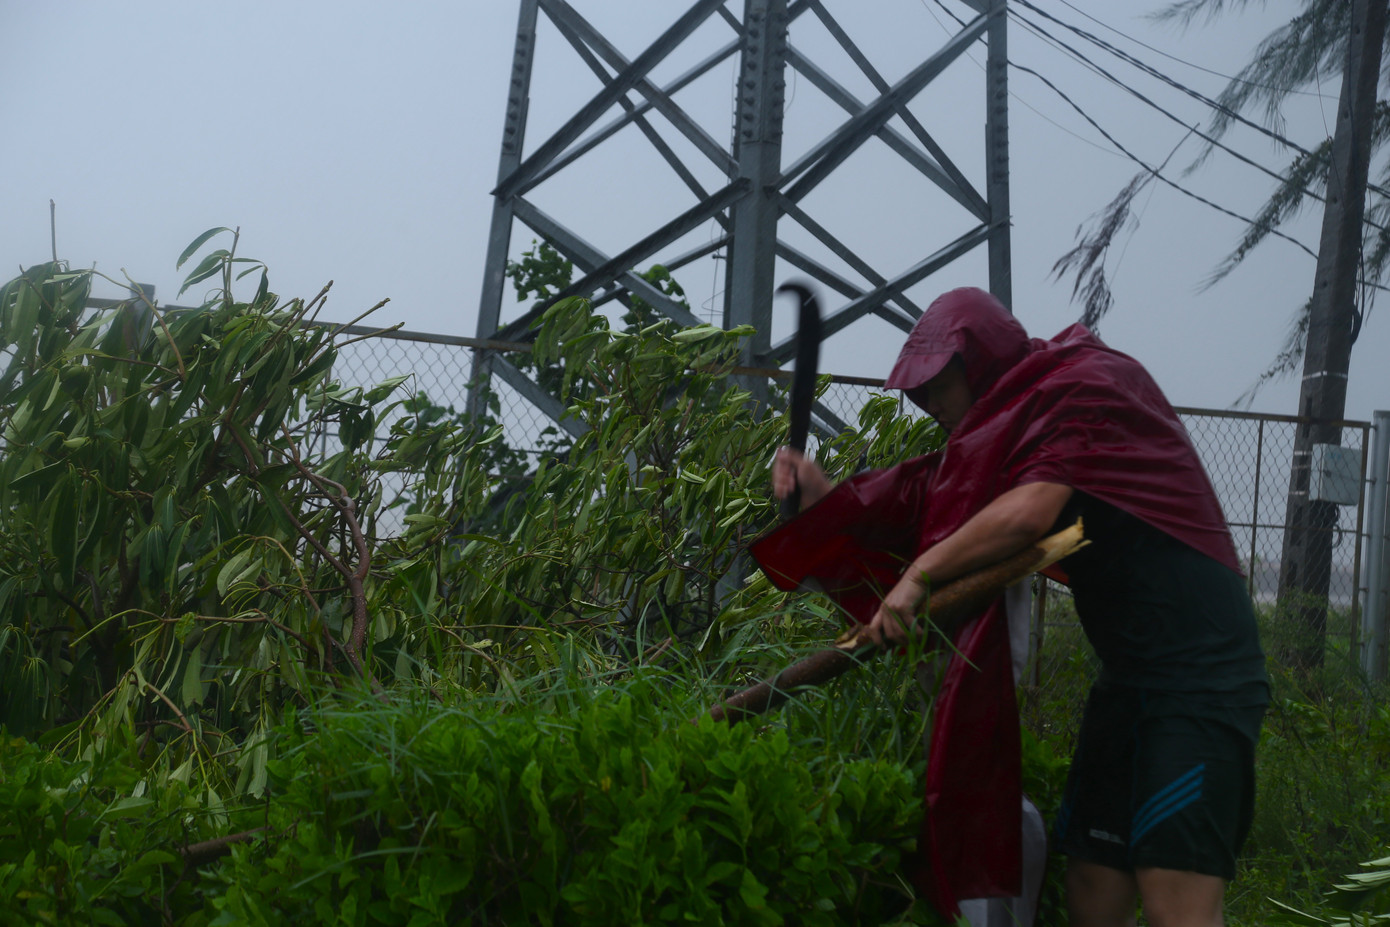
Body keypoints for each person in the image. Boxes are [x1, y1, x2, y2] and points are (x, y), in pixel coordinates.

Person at [755, 287, 1268, 927]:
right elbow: (930, 498)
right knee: (1091, 880)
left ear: (984, 361)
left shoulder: (1085, 385)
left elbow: (1028, 513)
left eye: (939, 385)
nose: (930, 405)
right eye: (918, 393)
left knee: (1174, 895)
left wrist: (918, 577)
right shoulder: (1017, 426)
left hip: (1200, 679)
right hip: (1130, 681)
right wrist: (823, 497)